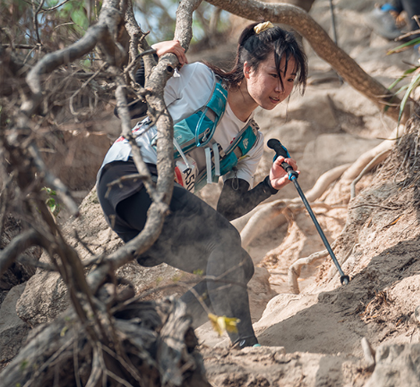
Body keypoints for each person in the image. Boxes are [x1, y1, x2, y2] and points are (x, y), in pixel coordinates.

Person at [97, 21, 308, 349]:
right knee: (226, 243)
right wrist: (150, 57)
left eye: (291, 80)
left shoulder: (251, 142)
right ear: (249, 68)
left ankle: (163, 327)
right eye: (275, 75)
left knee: (238, 262)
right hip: (128, 174)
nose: (282, 89)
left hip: (155, 203)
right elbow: (126, 105)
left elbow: (227, 211)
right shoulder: (199, 78)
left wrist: (269, 185)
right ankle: (246, 344)